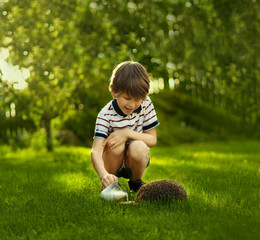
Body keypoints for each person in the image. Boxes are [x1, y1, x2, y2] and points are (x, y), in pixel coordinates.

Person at [91, 61, 159, 192]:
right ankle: (110, 184)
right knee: (116, 145)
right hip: (112, 159)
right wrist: (103, 175)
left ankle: (135, 182)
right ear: (113, 92)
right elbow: (96, 151)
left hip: (134, 159)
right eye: (127, 98)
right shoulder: (105, 115)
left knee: (139, 146)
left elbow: (152, 140)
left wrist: (127, 133)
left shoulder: (146, 103)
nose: (132, 105)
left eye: (137, 99)